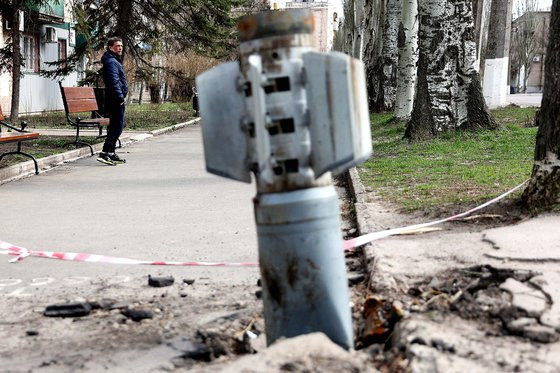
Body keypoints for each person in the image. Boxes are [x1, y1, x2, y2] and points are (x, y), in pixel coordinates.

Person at [97, 36, 129, 166]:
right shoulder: (111, 62)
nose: (120, 48)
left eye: (121, 46)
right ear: (110, 47)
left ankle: (110, 152)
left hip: (115, 99)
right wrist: (120, 98)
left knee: (116, 127)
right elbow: (113, 82)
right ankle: (105, 152)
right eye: (117, 46)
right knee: (117, 127)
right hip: (115, 99)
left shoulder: (113, 60)